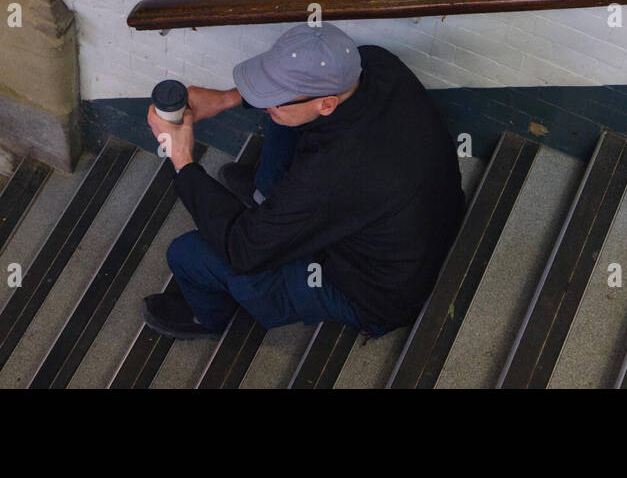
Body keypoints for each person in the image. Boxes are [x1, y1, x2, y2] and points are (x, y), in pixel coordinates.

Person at [141, 22, 465, 340]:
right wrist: (227, 98)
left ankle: (208, 316)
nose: (265, 103)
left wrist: (183, 160)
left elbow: (243, 248)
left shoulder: (330, 174)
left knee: (186, 254)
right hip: (425, 216)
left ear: (327, 103)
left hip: (376, 294)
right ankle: (263, 198)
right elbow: (293, 107)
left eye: (275, 96)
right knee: (284, 120)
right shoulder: (375, 63)